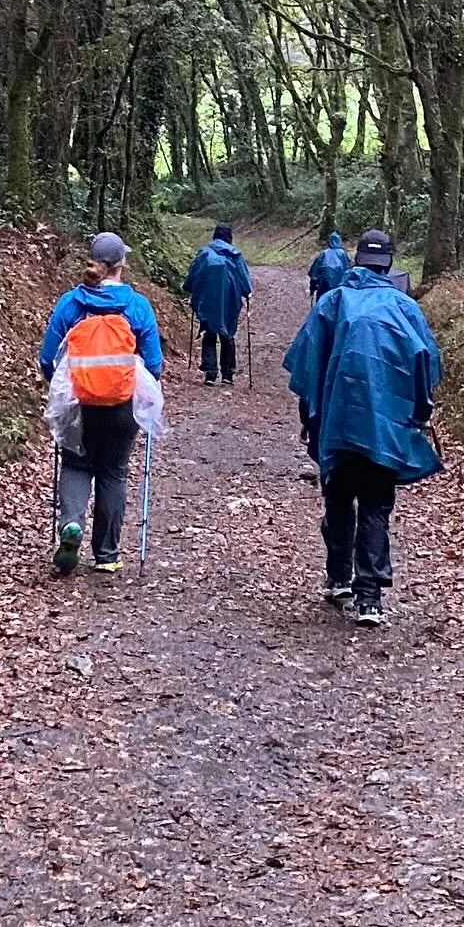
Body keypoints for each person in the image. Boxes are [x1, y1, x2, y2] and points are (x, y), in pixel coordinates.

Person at [283, 228, 442, 627]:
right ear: (388, 263)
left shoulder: (333, 303)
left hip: (336, 427)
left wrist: (310, 420)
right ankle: (369, 597)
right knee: (374, 505)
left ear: (356, 261)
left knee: (338, 500)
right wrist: (419, 414)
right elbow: (426, 366)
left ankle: (339, 578)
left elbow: (308, 367)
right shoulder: (405, 309)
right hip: (383, 429)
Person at [39, 232, 163, 576]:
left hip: (78, 403)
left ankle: (71, 526)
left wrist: (63, 391)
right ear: (121, 264)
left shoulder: (71, 303)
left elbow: (48, 358)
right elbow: (153, 366)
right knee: (113, 471)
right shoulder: (137, 306)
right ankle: (107, 554)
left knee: (77, 465)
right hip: (122, 407)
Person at [182, 223, 253, 386]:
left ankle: (210, 374)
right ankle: (228, 374)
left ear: (215, 236)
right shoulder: (235, 255)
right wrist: (247, 292)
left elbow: (192, 277)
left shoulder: (204, 254)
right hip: (230, 301)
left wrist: (188, 288)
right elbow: (245, 281)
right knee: (228, 334)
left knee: (209, 334)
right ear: (229, 237)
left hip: (207, 302)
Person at [307, 228, 352, 302]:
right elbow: (349, 271)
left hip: (324, 288)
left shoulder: (324, 254)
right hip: (340, 288)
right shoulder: (344, 254)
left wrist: (312, 289)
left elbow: (314, 274)